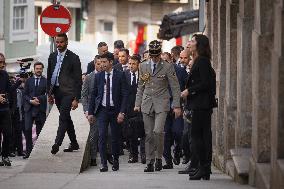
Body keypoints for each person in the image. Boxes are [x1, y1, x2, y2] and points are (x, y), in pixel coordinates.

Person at [134, 40, 182, 172]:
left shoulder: (167, 66)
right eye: (152, 56)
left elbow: (175, 87)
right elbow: (140, 87)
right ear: (149, 54)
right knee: (149, 133)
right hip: (147, 103)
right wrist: (137, 104)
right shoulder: (143, 66)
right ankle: (150, 162)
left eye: (157, 55)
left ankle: (159, 158)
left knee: (158, 131)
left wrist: (177, 105)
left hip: (162, 103)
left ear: (160, 54)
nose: (154, 58)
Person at [181, 34, 215, 180]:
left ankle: (204, 167)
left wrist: (190, 90)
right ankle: (203, 168)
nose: (190, 43)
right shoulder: (199, 60)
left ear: (199, 44)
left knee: (198, 137)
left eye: (193, 41)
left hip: (202, 104)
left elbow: (206, 83)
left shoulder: (202, 61)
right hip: (199, 104)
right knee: (199, 136)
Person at [88, 52, 128, 172]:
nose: (102, 65)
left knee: (114, 137)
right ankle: (104, 163)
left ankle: (115, 161)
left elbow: (125, 94)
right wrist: (90, 112)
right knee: (102, 136)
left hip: (115, 110)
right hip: (102, 110)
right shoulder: (99, 76)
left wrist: (122, 112)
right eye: (100, 62)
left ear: (111, 62)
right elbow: (94, 95)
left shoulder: (120, 75)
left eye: (105, 62)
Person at [47, 33, 82, 155]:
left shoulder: (73, 58)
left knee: (63, 117)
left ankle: (57, 143)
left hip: (69, 93)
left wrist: (77, 99)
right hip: (56, 92)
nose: (59, 44)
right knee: (66, 117)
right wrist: (49, 93)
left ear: (66, 42)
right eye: (57, 42)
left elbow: (78, 80)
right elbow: (50, 76)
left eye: (61, 42)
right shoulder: (52, 56)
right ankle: (74, 143)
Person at [162, 49, 188, 169]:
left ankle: (177, 150)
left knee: (178, 132)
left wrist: (181, 103)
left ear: (171, 60)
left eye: (166, 61)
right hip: (163, 108)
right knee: (166, 135)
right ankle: (167, 161)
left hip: (177, 107)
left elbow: (187, 87)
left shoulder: (180, 71)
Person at [0, 53, 22, 166]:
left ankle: (5, 156)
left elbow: (9, 89)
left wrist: (19, 81)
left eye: (3, 62)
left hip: (5, 109)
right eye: (0, 62)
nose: (2, 65)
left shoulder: (4, 74)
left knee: (8, 133)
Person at [125, 54, 146, 164]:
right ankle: (133, 155)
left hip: (142, 107)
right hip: (129, 108)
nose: (131, 66)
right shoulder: (125, 75)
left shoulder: (143, 75)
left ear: (139, 65)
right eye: (130, 64)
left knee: (143, 131)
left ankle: (143, 154)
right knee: (131, 133)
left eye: (134, 64)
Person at [23, 62, 47, 159]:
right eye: (37, 68)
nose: (38, 70)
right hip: (29, 108)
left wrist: (39, 99)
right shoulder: (29, 80)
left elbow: (47, 94)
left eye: (40, 68)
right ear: (34, 69)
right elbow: (25, 94)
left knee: (40, 132)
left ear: (42, 69)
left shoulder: (46, 81)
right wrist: (30, 101)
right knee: (28, 129)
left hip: (40, 109)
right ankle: (28, 152)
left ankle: (39, 153)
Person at [81, 55, 102, 166]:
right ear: (94, 64)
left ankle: (106, 156)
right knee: (93, 135)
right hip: (92, 111)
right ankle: (93, 158)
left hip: (104, 109)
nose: (100, 66)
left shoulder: (107, 76)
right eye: (98, 64)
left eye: (102, 64)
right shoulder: (89, 77)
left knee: (106, 134)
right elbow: (84, 95)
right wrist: (86, 110)